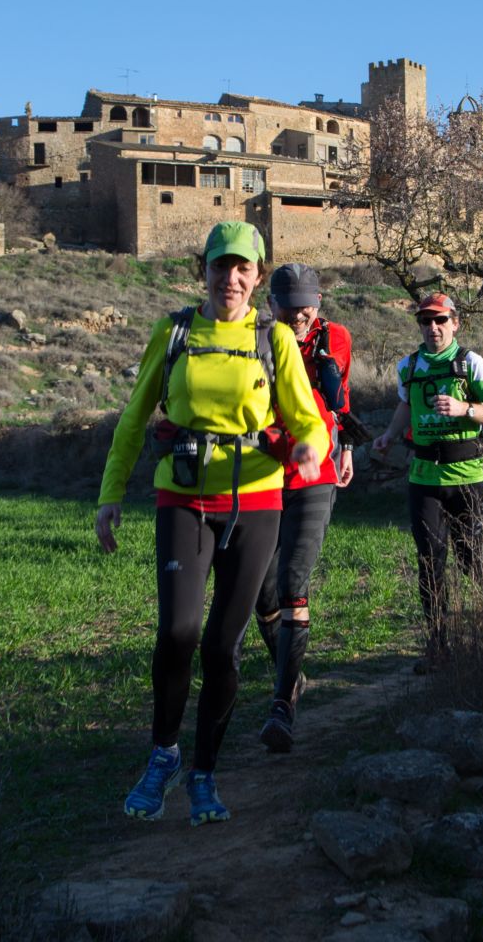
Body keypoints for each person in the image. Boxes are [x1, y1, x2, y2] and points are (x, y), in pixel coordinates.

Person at [97, 222, 327, 826]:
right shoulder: (173, 332)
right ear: (203, 270)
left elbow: (309, 420)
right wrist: (110, 493)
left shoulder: (274, 339)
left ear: (257, 275)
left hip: (256, 501)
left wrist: (308, 445)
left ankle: (204, 773)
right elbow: (134, 415)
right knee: (177, 632)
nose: (231, 278)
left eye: (242, 268)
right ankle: (163, 754)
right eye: (220, 267)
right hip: (183, 496)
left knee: (222, 645)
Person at [371, 294, 483, 672]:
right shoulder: (409, 366)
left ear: (455, 323)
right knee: (430, 562)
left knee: (473, 561)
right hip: (424, 477)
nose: (432, 328)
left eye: (440, 321)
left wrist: (465, 409)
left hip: (469, 476)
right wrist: (389, 435)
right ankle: (438, 644)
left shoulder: (471, 364)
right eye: (425, 322)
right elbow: (405, 405)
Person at [250, 263, 354, 754]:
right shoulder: (254, 339)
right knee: (260, 593)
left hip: (316, 474)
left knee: (293, 582)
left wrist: (346, 449)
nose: (299, 313)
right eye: (289, 305)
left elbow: (337, 402)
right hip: (263, 474)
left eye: (306, 304)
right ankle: (292, 673)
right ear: (271, 304)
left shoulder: (335, 338)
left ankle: (283, 705)